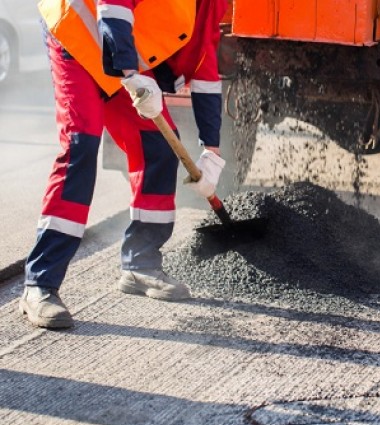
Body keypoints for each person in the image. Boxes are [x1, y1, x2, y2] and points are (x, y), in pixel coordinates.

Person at [20, 0, 228, 329]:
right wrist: (131, 74)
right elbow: (113, 6)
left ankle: (140, 264)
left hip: (119, 50)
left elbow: (206, 70)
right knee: (81, 145)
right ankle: (40, 285)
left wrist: (211, 151)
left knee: (159, 144)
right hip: (76, 31)